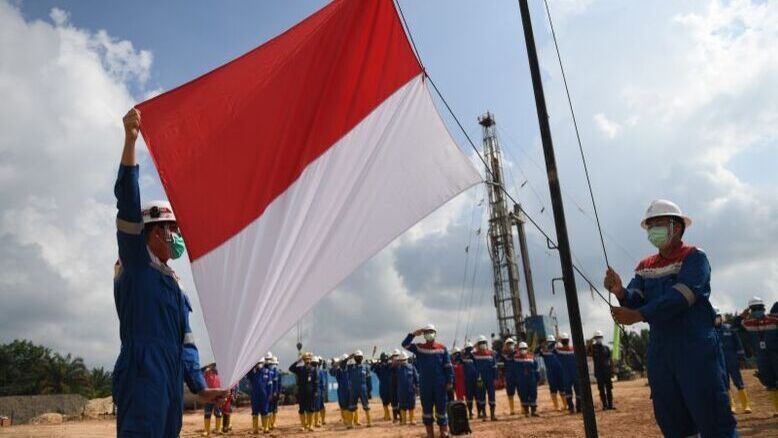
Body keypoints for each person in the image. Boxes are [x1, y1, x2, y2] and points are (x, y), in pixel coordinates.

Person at [113, 109, 225, 437]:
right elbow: (127, 203)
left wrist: (199, 386)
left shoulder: (176, 288)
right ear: (150, 232)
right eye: (169, 229)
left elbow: (187, 343)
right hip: (142, 371)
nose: (176, 237)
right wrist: (130, 141)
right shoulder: (135, 263)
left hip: (171, 376)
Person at [604, 199, 737, 437]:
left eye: (658, 223)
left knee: (713, 418)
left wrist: (639, 314)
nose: (653, 229)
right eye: (650, 225)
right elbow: (637, 296)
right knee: (673, 421)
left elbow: (683, 295)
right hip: (661, 352)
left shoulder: (694, 257)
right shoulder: (645, 266)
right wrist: (621, 292)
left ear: (676, 226)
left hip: (695, 347)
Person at [402, 324, 454, 438]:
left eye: (431, 332)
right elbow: (404, 344)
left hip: (440, 384)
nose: (429, 334)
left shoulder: (442, 348)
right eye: (427, 332)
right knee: (427, 409)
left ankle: (443, 432)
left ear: (435, 334)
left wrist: (450, 381)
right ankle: (430, 433)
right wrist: (414, 333)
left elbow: (448, 366)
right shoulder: (419, 348)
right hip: (425, 384)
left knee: (441, 408)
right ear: (424, 335)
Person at [742, 297, 778, 416]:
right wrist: (743, 315)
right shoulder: (748, 323)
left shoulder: (774, 320)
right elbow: (734, 326)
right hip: (762, 357)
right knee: (769, 382)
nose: (757, 311)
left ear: (763, 308)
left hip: (775, 354)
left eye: (759, 308)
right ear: (750, 310)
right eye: (754, 309)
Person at [714, 308, 752, 414]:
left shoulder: (729, 328)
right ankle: (732, 406)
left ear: (721, 317)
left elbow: (738, 343)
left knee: (738, 382)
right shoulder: (711, 331)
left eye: (718, 316)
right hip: (719, 361)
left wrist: (741, 356)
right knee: (725, 384)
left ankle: (746, 405)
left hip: (732, 360)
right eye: (715, 317)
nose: (717, 319)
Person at [289, 352, 319, 431]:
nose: (307, 361)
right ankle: (303, 425)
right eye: (305, 359)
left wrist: (315, 391)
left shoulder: (313, 369)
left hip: (311, 392)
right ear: (304, 360)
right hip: (302, 392)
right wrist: (298, 360)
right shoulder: (300, 369)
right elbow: (291, 368)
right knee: (302, 409)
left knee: (311, 409)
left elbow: (316, 381)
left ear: (310, 360)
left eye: (308, 359)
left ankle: (310, 425)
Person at [343, 350, 372, 427]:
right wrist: (348, 358)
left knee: (366, 406)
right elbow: (342, 365)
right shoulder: (351, 367)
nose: (358, 358)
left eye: (359, 357)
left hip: (363, 389)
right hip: (353, 389)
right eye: (356, 357)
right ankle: (350, 424)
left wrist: (369, 391)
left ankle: (369, 422)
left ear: (362, 358)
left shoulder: (365, 367)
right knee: (351, 407)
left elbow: (369, 380)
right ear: (354, 358)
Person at [473, 335, 498, 421]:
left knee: (492, 395)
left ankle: (492, 415)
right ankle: (484, 414)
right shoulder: (474, 355)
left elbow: (495, 367)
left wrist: (495, 378)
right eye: (481, 343)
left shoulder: (491, 354)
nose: (483, 344)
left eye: (484, 343)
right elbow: (464, 357)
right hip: (480, 379)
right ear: (477, 345)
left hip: (490, 379)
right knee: (481, 396)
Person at [538, 335, 565, 411]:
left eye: (551, 343)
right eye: (548, 343)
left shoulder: (558, 349)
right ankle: (556, 406)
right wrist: (541, 345)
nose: (550, 344)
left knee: (562, 389)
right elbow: (536, 351)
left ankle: (565, 405)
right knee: (553, 390)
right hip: (551, 373)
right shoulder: (544, 352)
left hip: (560, 372)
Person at [555, 333, 580, 414]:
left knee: (568, 392)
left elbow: (551, 349)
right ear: (569, 340)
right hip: (575, 373)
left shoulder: (559, 351)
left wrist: (556, 341)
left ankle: (571, 408)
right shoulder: (574, 349)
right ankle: (579, 407)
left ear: (561, 341)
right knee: (578, 391)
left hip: (566, 374)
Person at [589, 331, 615, 410]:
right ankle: (604, 405)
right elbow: (587, 350)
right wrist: (591, 340)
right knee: (601, 389)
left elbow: (610, 360)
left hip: (607, 371)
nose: (598, 339)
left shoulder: (606, 348)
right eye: (597, 338)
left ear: (602, 338)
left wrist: (612, 370)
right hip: (599, 372)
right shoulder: (593, 348)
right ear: (595, 339)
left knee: (609, 389)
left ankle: (610, 405)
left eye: (600, 337)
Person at [515, 342, 540, 417]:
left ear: (527, 349)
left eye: (524, 348)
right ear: (518, 349)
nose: (523, 350)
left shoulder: (531, 357)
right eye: (521, 349)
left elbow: (536, 368)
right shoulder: (516, 358)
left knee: (533, 393)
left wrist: (537, 377)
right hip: (522, 379)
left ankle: (534, 410)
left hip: (531, 378)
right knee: (523, 394)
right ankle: (526, 411)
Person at [396, 351, 419, 425]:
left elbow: (416, 378)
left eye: (403, 360)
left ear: (406, 359)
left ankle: (412, 420)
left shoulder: (412, 367)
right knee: (402, 405)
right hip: (401, 390)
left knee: (411, 405)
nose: (402, 361)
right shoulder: (397, 369)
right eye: (401, 360)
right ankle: (403, 421)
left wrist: (417, 387)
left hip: (411, 390)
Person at [498, 338, 520, 415]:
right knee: (510, 393)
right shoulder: (503, 356)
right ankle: (512, 409)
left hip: (518, 375)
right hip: (509, 376)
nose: (510, 346)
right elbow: (500, 366)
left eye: (511, 344)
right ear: (505, 346)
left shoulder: (518, 353)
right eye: (508, 344)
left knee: (521, 391)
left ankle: (524, 408)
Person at [330, 354, 352, 427]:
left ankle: (350, 422)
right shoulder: (338, 371)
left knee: (350, 406)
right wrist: (336, 364)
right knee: (343, 406)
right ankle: (346, 420)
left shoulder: (350, 369)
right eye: (343, 362)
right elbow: (331, 372)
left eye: (345, 362)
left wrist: (346, 359)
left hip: (349, 389)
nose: (344, 364)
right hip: (341, 390)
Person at [201, 364, 223, 437]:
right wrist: (205, 369)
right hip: (209, 396)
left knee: (218, 413)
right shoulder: (206, 372)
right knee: (207, 413)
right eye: (212, 365)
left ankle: (218, 429)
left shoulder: (221, 372)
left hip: (218, 396)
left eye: (215, 365)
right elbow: (200, 375)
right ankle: (206, 431)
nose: (214, 366)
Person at [371, 352, 394, 421]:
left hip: (384, 387)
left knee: (385, 402)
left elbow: (372, 369)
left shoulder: (379, 367)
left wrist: (375, 363)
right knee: (393, 401)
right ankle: (393, 416)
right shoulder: (389, 366)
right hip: (390, 386)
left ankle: (387, 416)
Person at [461, 341, 478, 419]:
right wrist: (462, 353)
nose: (469, 350)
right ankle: (470, 412)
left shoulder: (474, 356)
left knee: (478, 397)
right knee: (469, 398)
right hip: (467, 381)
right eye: (468, 349)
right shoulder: (462, 357)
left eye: (470, 349)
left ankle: (479, 412)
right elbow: (457, 360)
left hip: (475, 379)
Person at [268, 355, 282, 430]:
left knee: (274, 408)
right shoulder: (268, 371)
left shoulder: (278, 373)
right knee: (270, 408)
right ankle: (270, 423)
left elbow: (279, 384)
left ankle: (273, 422)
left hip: (275, 393)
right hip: (270, 393)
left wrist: (278, 392)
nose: (273, 366)